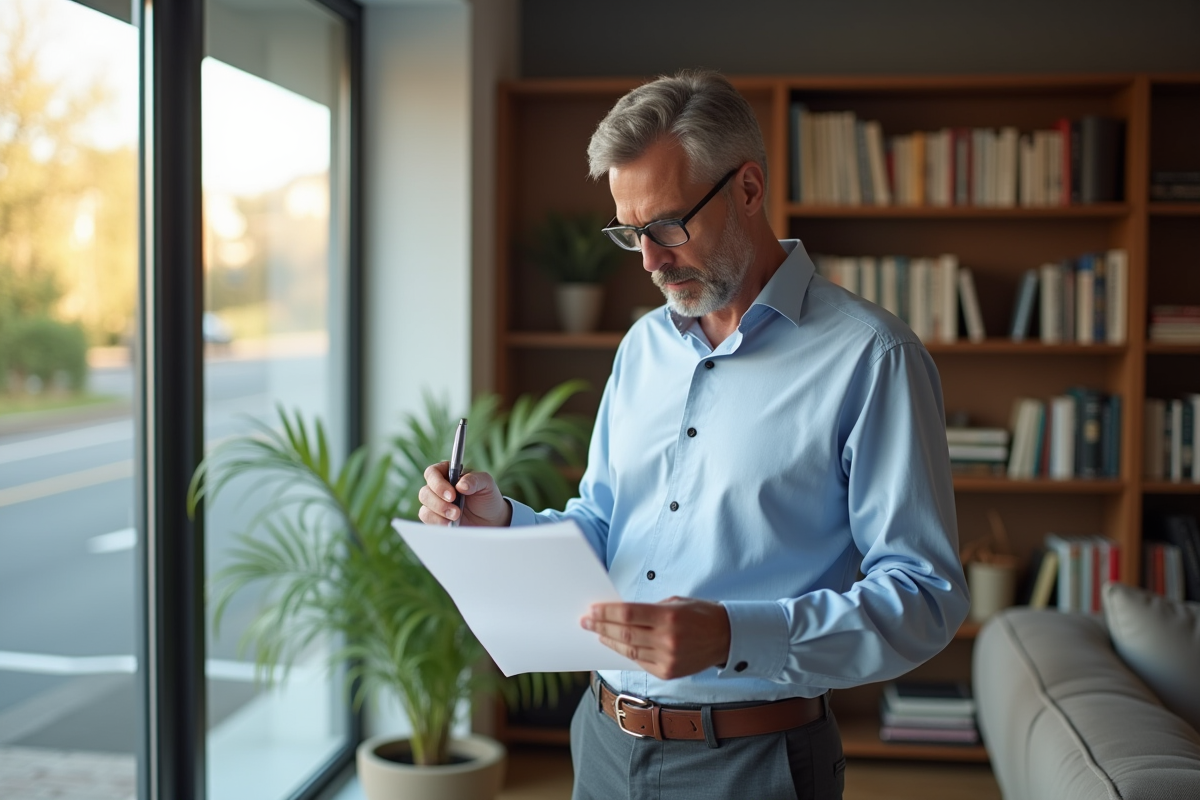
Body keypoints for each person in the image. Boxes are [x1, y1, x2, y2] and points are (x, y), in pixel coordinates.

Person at [419, 69, 969, 800]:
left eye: (668, 226)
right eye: (630, 233)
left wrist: (735, 636)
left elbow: (926, 597)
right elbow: (606, 526)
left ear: (747, 188)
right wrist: (502, 522)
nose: (648, 259)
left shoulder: (873, 359)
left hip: (756, 760)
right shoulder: (643, 347)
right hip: (604, 740)